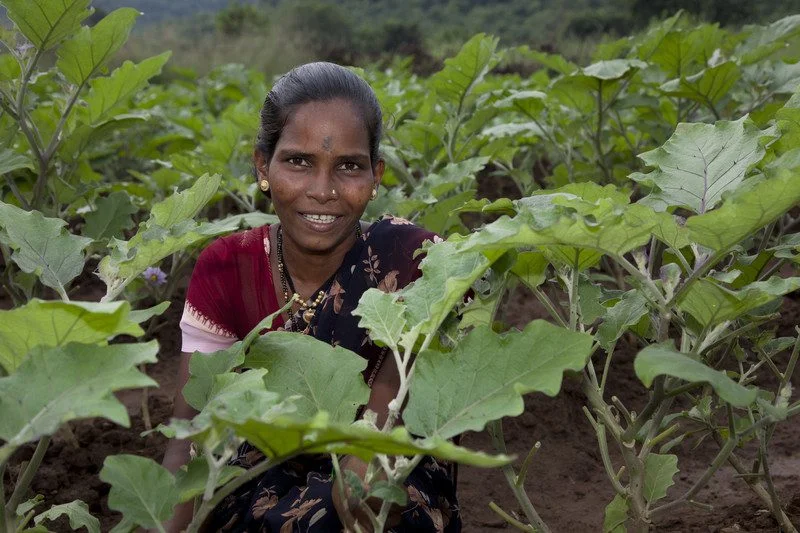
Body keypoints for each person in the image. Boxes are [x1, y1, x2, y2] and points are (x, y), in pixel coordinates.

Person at [162, 62, 461, 532]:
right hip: (256, 484)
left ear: (376, 175)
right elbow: (190, 438)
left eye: (349, 166)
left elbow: (384, 427)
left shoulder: (411, 260)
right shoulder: (227, 268)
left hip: (382, 478)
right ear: (263, 166)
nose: (323, 191)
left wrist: (359, 486)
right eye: (299, 162)